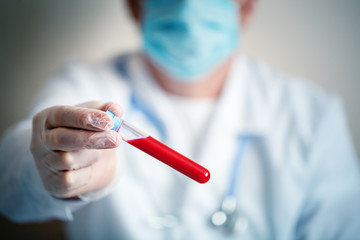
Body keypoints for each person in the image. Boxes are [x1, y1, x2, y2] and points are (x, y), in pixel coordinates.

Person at [1, 0, 359, 239]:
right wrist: (55, 163)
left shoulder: (312, 114)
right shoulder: (83, 83)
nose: (189, 5)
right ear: (135, 6)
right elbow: (9, 184)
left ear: (245, 7)